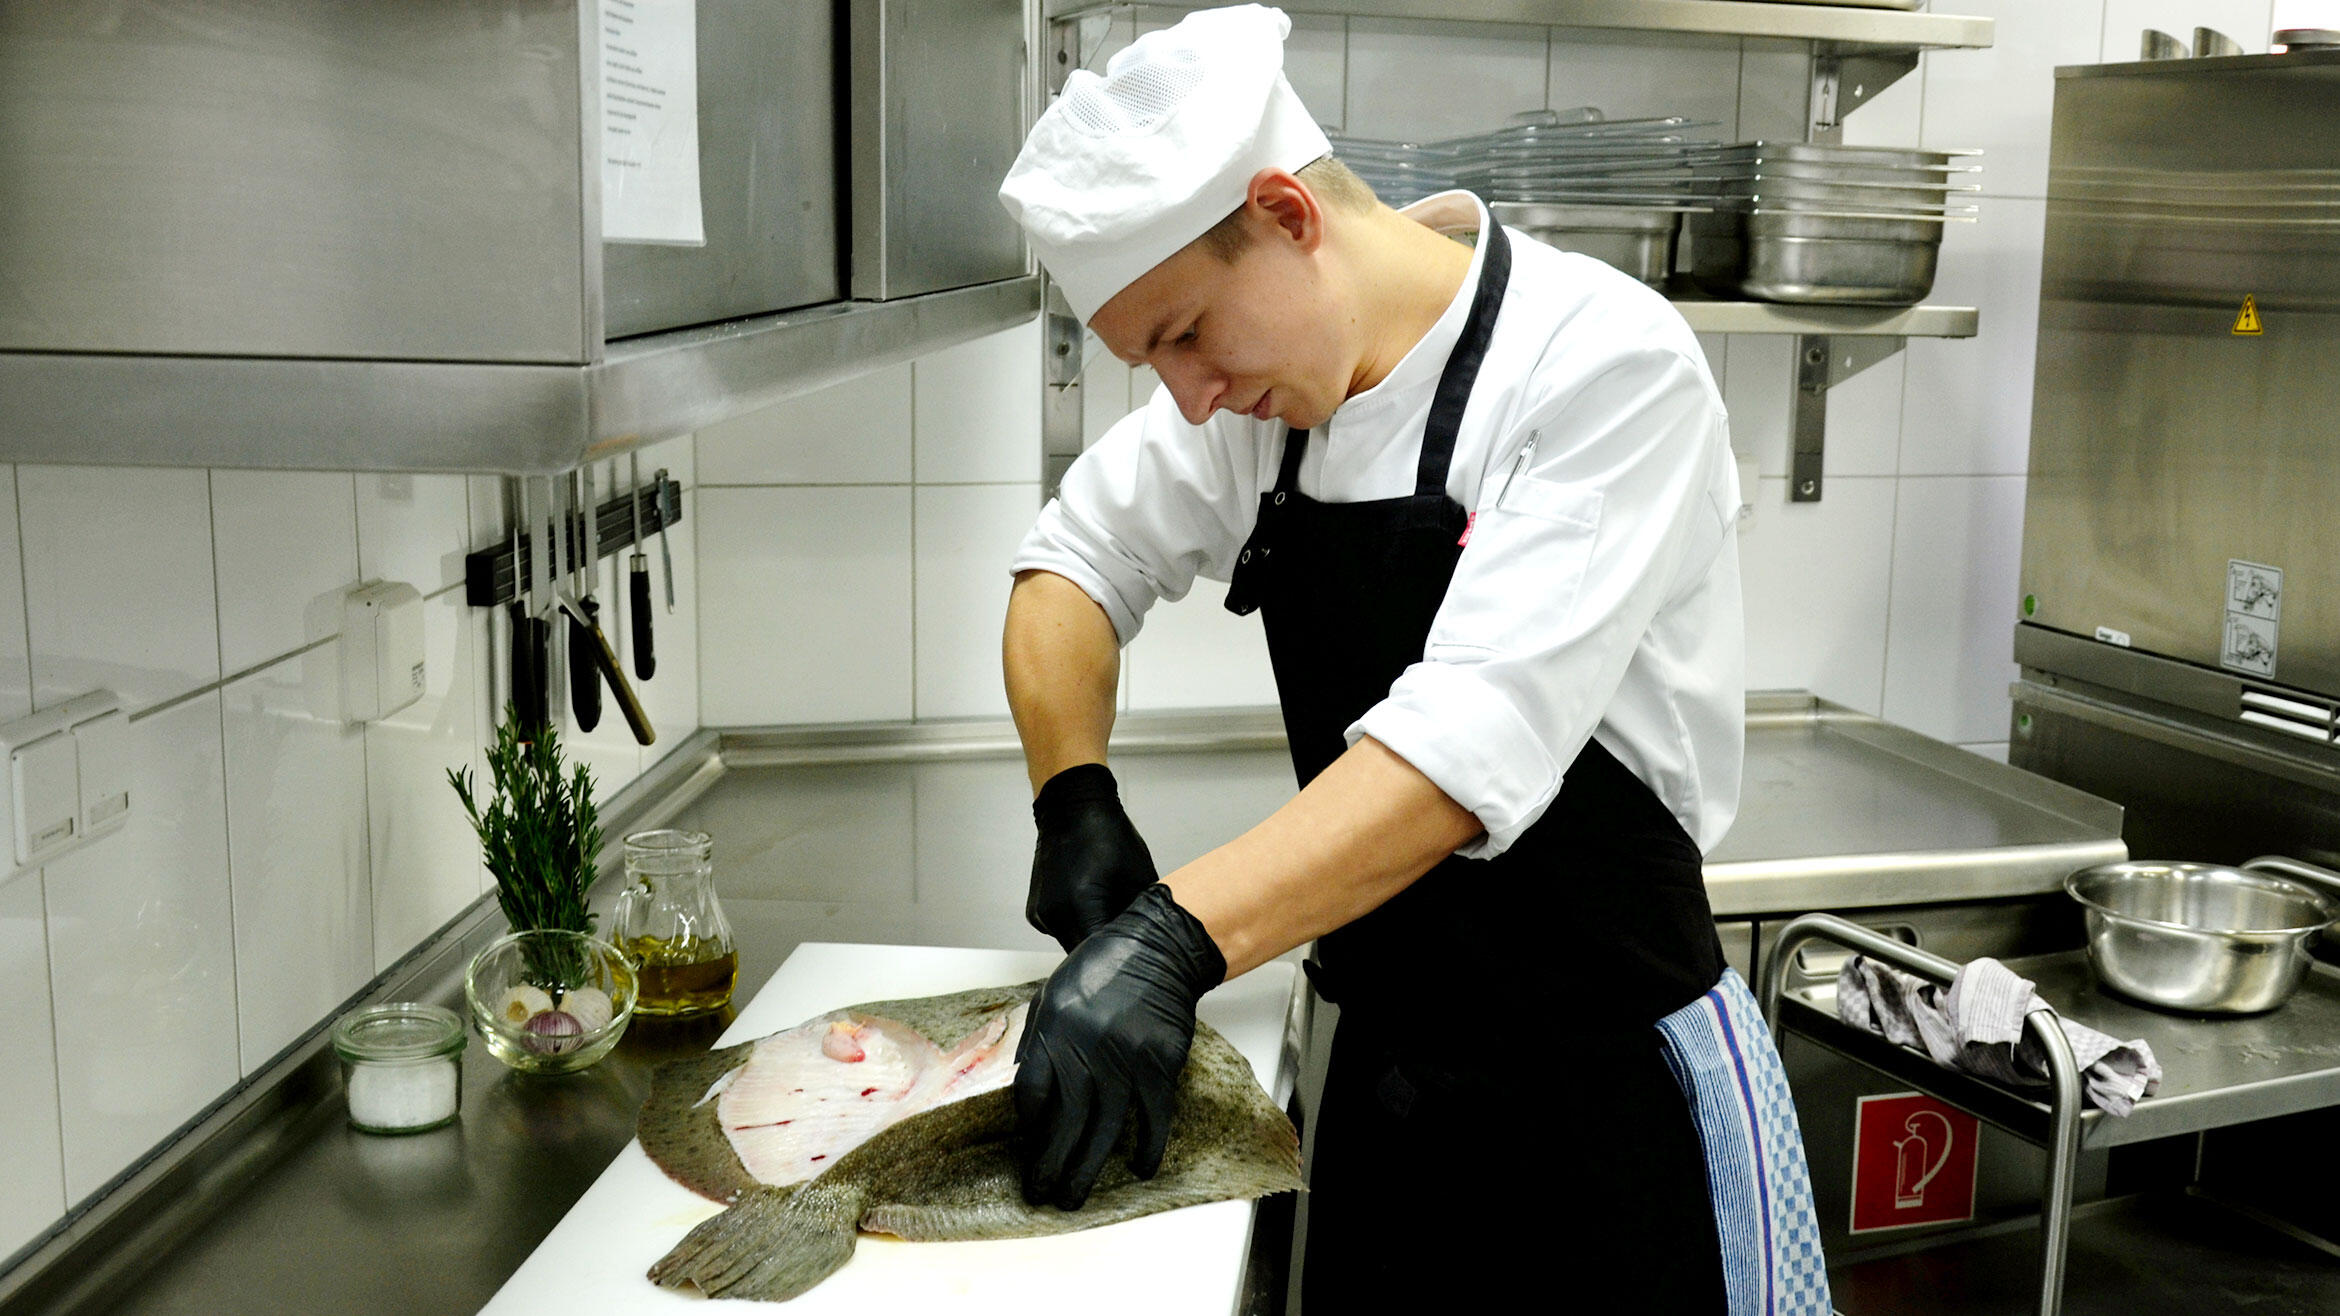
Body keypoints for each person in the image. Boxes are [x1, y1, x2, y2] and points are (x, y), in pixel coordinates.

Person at [995, 7, 1827, 1311]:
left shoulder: (1598, 365)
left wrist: (1172, 942)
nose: (1189, 395)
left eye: (1186, 334)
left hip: (1608, 1092)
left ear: (1287, 212)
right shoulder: (1265, 404)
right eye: (1149, 360)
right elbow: (1071, 570)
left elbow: (1460, 751)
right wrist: (1073, 794)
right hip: (1384, 1077)